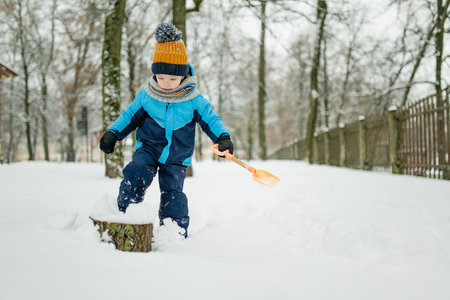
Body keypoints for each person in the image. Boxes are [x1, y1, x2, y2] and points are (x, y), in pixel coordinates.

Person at [99, 23, 233, 237]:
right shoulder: (147, 95)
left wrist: (223, 137)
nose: (167, 84)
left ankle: (175, 232)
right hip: (149, 147)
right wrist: (113, 133)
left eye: (172, 78)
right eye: (161, 78)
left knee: (173, 193)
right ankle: (125, 213)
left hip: (177, 157)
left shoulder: (193, 99)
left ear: (183, 75)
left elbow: (211, 119)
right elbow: (129, 116)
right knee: (137, 171)